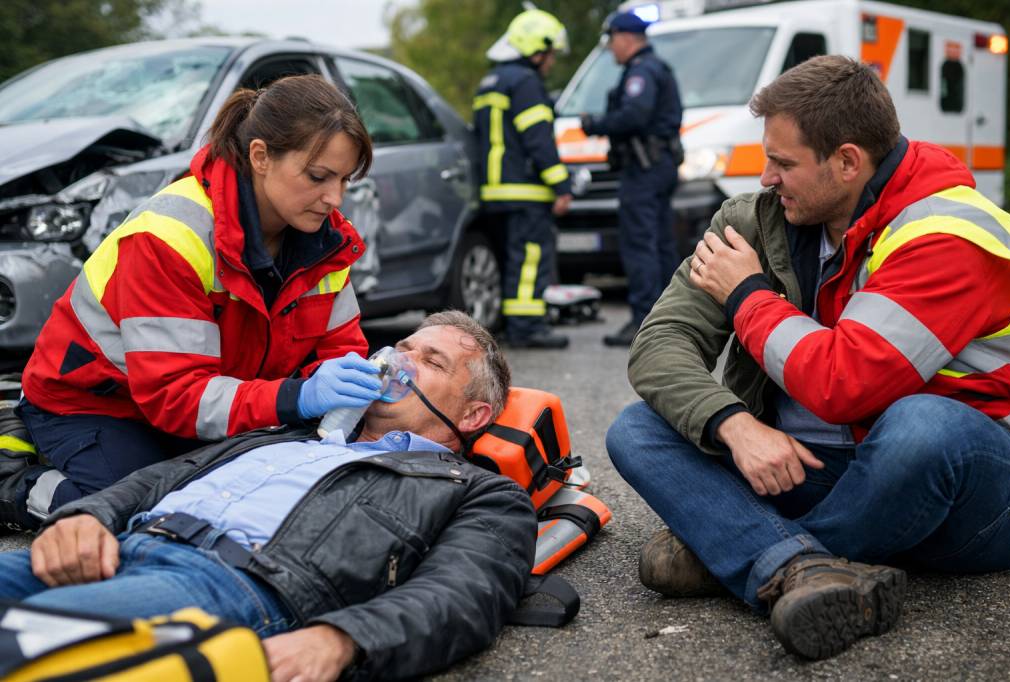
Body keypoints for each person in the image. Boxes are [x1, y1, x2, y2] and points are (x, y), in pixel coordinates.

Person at [605, 55, 1010, 660]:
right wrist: (735, 424)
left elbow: (844, 384)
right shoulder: (750, 221)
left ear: (848, 161)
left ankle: (762, 556)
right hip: (807, 469)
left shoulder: (948, 232)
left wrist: (748, 294)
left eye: (783, 163)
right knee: (637, 429)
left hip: (960, 490)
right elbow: (660, 344)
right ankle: (806, 567)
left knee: (921, 429)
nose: (766, 178)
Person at [0, 311, 536, 681]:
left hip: (224, 582)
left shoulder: (479, 492)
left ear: (471, 416)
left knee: (19, 648)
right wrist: (89, 514)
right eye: (402, 347)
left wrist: (340, 639)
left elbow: (462, 596)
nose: (398, 362)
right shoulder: (291, 432)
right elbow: (161, 477)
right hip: (118, 546)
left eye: (432, 362)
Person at [2, 75, 385, 531]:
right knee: (139, 516)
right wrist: (297, 395)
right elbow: (177, 395)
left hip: (211, 404)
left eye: (344, 179)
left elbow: (339, 352)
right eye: (318, 177)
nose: (334, 198)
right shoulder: (168, 236)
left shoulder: (325, 242)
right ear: (260, 156)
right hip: (95, 401)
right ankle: (17, 481)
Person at [580, 11, 684, 348]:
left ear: (626, 38)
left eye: (612, 40)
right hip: (659, 165)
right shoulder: (656, 68)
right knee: (660, 241)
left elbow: (635, 115)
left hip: (645, 169)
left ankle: (644, 322)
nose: (611, 48)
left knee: (640, 243)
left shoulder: (642, 72)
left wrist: (596, 124)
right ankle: (671, 320)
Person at [474, 9, 573, 349]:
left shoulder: (492, 80)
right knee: (530, 258)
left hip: (495, 190)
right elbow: (538, 140)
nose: (550, 62)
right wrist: (562, 186)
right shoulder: (527, 82)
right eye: (550, 54)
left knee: (511, 259)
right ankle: (528, 328)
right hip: (526, 190)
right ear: (537, 49)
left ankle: (511, 323)